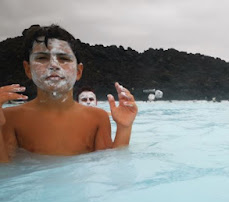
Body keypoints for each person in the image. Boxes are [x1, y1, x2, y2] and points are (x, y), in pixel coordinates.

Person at [0, 24, 138, 162]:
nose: (53, 65)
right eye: (42, 58)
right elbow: (6, 171)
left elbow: (108, 166)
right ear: (28, 69)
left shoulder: (97, 118)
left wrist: (124, 128)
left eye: (64, 58)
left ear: (78, 71)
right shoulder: (10, 118)